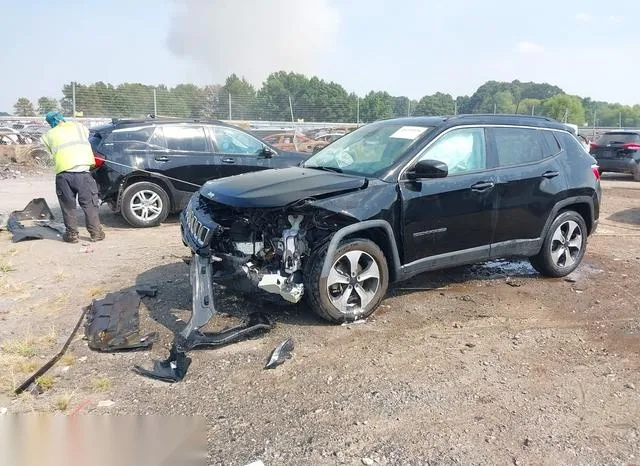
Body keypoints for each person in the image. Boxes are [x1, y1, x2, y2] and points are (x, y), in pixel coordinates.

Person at [41, 111, 105, 243]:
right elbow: (88, 138)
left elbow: (49, 153)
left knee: (68, 206)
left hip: (63, 175)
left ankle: (72, 235)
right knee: (89, 205)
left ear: (50, 123)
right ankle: (96, 233)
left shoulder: (48, 135)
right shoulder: (80, 127)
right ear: (62, 118)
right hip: (83, 173)